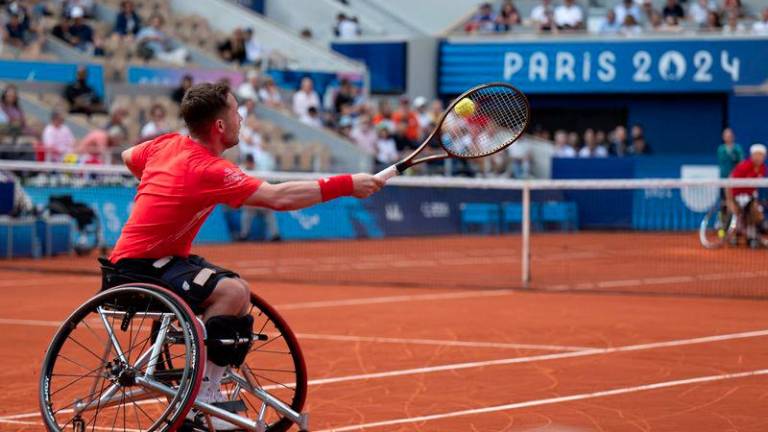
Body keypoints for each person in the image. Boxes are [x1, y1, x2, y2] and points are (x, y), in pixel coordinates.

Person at [104, 83, 382, 429]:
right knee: (232, 292)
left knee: (238, 291)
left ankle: (206, 380)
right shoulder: (208, 169)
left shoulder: (166, 145)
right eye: (236, 113)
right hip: (141, 269)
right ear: (220, 126)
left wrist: (160, 192)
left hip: (155, 261)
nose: (241, 119)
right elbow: (279, 198)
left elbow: (129, 156)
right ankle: (199, 400)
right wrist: (347, 185)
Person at [727, 143, 766, 248]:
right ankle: (735, 235)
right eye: (757, 155)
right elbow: (730, 180)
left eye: (762, 155)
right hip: (737, 196)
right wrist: (730, 200)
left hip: (750, 197)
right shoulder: (745, 165)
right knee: (745, 214)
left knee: (756, 214)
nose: (759, 157)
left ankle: (751, 237)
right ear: (752, 155)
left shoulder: (763, 168)